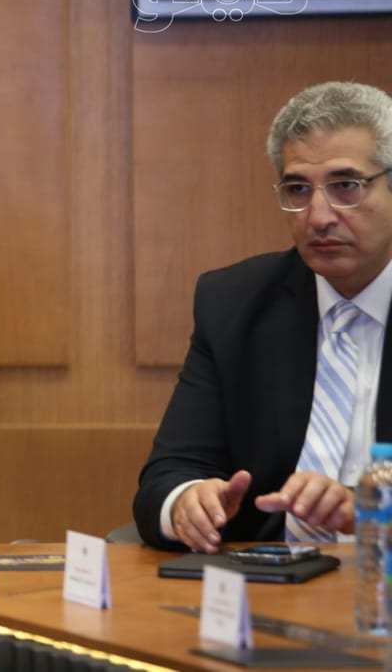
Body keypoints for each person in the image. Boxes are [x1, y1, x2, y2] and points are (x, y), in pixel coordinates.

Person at [134, 81, 392, 552]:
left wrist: (370, 512)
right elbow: (168, 475)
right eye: (298, 189)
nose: (318, 216)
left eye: (346, 186)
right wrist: (188, 503)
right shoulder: (235, 303)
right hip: (270, 581)